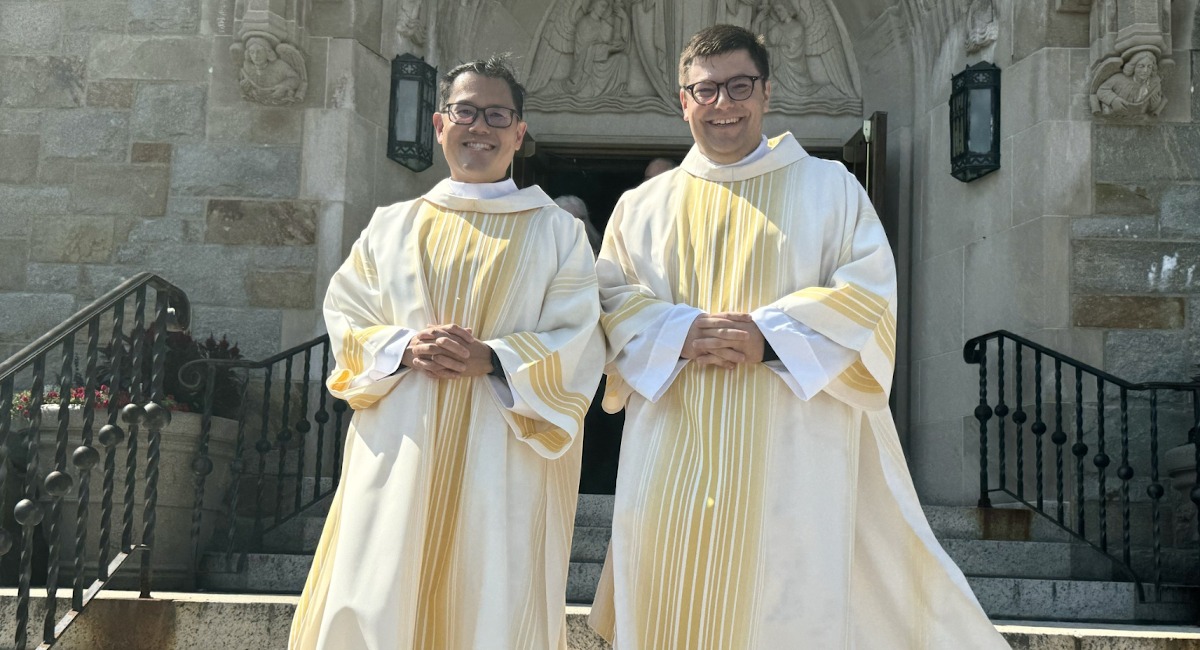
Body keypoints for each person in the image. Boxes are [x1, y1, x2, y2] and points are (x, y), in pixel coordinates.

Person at [589, 25, 1010, 648]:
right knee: (671, 597)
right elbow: (607, 302)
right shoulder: (641, 207)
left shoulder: (830, 187)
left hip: (795, 452)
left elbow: (867, 294)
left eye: (739, 87)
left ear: (765, 93)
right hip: (670, 449)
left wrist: (772, 336)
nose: (723, 104)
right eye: (706, 91)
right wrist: (677, 331)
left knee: (784, 608)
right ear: (683, 100)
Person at [289, 56, 605, 650]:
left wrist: (494, 358)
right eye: (465, 111)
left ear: (519, 132)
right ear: (439, 124)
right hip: (400, 450)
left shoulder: (556, 232)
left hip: (504, 457)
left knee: (491, 600)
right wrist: (403, 346)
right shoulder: (392, 225)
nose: (478, 126)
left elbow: (581, 337)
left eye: (496, 114)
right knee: (380, 591)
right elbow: (347, 313)